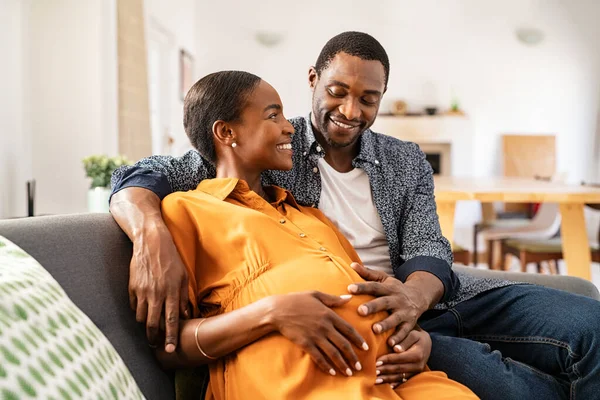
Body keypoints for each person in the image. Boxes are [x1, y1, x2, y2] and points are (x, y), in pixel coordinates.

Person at [110, 32, 600, 399]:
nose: (351, 109)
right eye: (338, 91)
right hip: (374, 324)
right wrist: (150, 230)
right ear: (313, 80)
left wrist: (411, 297)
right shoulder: (274, 145)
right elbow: (143, 174)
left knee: (590, 325)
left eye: (368, 99)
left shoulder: (403, 158)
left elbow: (429, 247)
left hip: (432, 299)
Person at [153, 69, 477, 399]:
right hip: (304, 385)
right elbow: (168, 346)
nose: (289, 126)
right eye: (272, 114)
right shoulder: (188, 210)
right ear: (225, 132)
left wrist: (417, 337)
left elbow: (371, 292)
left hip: (402, 377)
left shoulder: (310, 216)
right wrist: (271, 313)